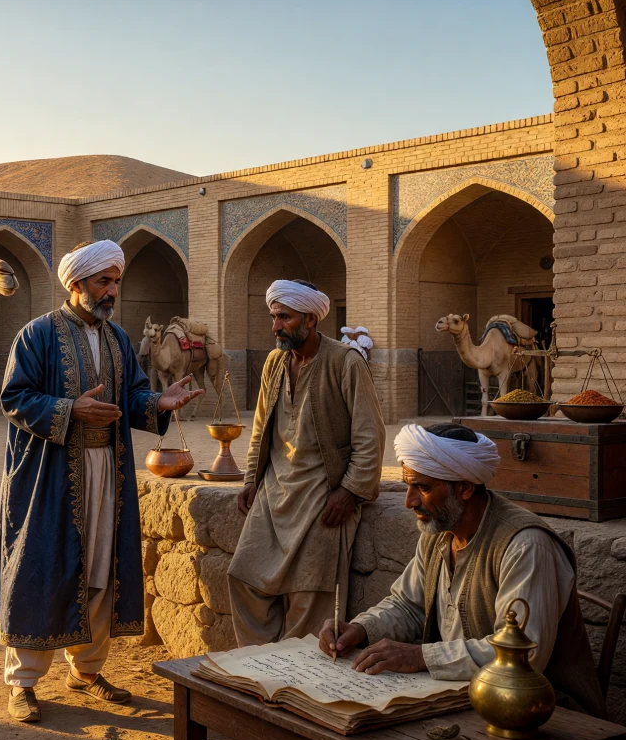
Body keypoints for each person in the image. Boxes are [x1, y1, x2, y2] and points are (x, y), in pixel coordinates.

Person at [0, 239, 202, 723]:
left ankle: (86, 670)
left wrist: (158, 403)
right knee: (42, 567)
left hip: (108, 470)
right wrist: (70, 409)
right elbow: (14, 398)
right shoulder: (37, 335)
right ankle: (23, 682)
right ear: (77, 282)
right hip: (49, 476)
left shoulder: (117, 339)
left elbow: (134, 394)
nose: (112, 291)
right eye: (104, 281)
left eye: (116, 281)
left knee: (100, 569)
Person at [319, 423, 606, 717]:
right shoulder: (439, 532)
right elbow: (408, 606)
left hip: (543, 714)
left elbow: (524, 656)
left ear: (465, 488)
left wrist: (421, 657)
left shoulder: (525, 545)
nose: (409, 501)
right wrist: (360, 629)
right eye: (408, 486)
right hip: (464, 698)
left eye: (422, 487)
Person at [227, 279, 385, 646]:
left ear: (311, 319)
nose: (276, 326)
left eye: (285, 317)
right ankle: (260, 666)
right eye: (273, 317)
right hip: (274, 492)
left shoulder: (345, 362)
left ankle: (296, 674)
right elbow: (261, 427)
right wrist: (250, 479)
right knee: (244, 576)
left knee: (309, 595)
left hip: (322, 496)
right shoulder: (274, 362)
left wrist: (349, 492)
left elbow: (370, 436)